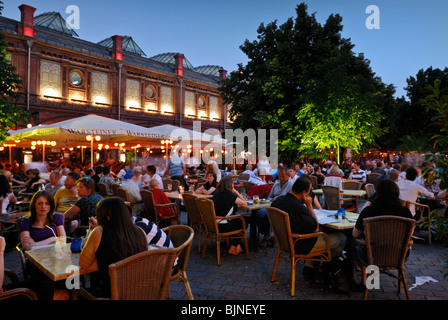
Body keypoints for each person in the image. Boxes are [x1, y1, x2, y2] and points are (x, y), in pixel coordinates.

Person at [271, 177, 346, 280]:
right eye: (309, 192)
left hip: (284, 242)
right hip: (300, 244)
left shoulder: (278, 201)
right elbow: (315, 228)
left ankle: (310, 268)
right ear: (303, 193)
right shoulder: (298, 207)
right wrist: (309, 206)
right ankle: (330, 273)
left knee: (325, 231)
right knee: (341, 237)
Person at [79, 197, 148, 298]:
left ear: (106, 217)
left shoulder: (99, 232)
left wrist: (102, 262)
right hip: (139, 292)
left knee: (71, 292)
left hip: (113, 294)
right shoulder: (140, 232)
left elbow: (83, 264)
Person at [352, 179, 413, 264]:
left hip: (372, 255)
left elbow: (355, 234)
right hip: (398, 255)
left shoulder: (368, 211)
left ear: (377, 193)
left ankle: (371, 275)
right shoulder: (405, 211)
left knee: (353, 245)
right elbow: (410, 233)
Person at [211, 175, 247, 255]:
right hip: (223, 226)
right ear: (229, 185)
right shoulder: (230, 195)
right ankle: (233, 246)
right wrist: (236, 192)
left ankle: (237, 246)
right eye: (232, 184)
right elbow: (244, 203)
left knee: (238, 221)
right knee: (244, 223)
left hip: (213, 224)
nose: (233, 185)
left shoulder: (217, 193)